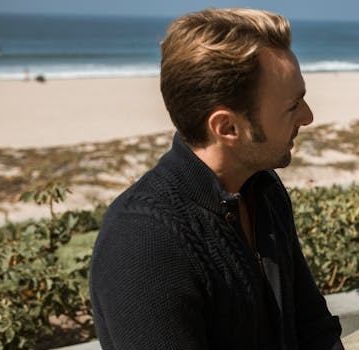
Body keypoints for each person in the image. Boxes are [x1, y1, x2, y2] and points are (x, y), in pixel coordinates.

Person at [89, 8, 344, 350]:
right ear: (227, 128)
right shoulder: (143, 243)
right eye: (292, 105)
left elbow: (314, 330)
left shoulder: (263, 189)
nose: (308, 116)